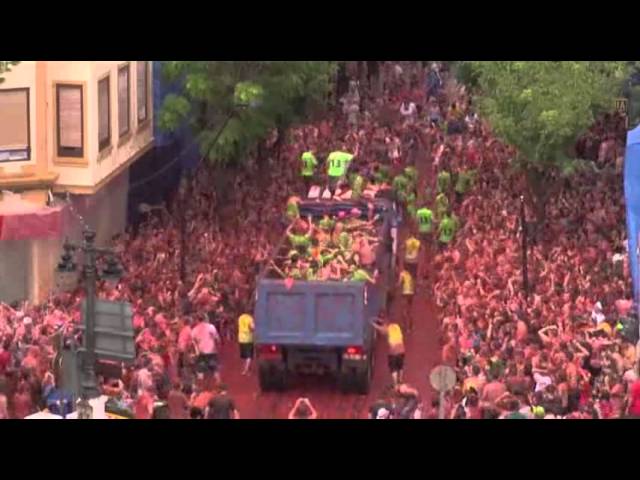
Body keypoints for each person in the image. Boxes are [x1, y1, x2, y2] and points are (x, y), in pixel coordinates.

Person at [372, 317, 405, 386]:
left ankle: (395, 384)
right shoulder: (396, 326)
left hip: (393, 352)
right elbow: (384, 322)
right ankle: (401, 381)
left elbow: (379, 329)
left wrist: (372, 323)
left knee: (394, 369)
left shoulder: (386, 329)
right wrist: (376, 319)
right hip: (402, 351)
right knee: (400, 366)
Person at [191, 315, 221, 386]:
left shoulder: (194, 330)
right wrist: (217, 346)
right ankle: (219, 386)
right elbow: (217, 338)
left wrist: (196, 351)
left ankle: (201, 388)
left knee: (200, 370)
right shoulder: (211, 327)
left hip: (201, 352)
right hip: (211, 351)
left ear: (197, 320)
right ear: (205, 319)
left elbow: (193, 342)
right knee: (215, 369)